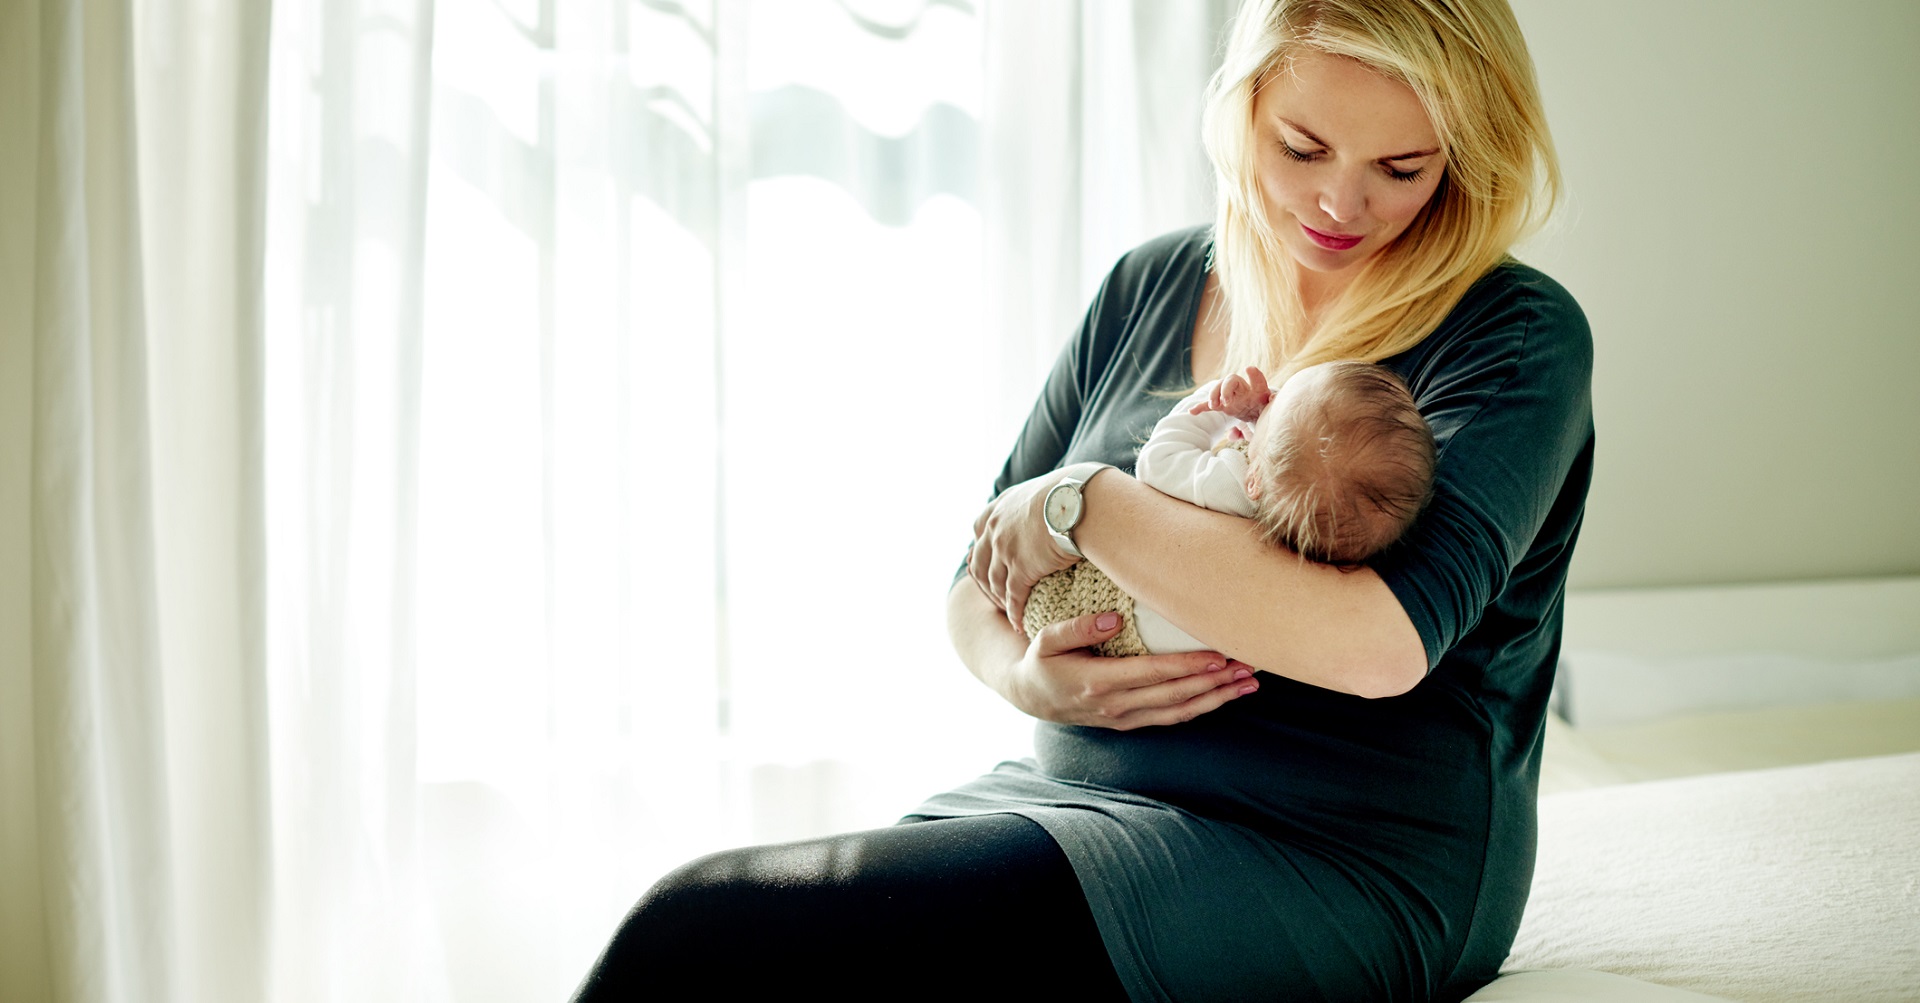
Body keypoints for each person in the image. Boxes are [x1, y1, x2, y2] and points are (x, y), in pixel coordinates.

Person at [569, 0, 1591, 999]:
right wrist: (1026, 680)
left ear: (1466, 154)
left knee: (693, 933)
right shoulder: (1150, 285)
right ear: (1241, 116)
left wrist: (1087, 502)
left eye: (1400, 168)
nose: (1339, 204)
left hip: (1333, 856)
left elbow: (1375, 645)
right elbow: (977, 576)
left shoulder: (1514, 334)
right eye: (1302, 148)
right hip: (1071, 798)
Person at [1023, 360, 1436, 657]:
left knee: (1052, 596)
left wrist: (1212, 404)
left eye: (1275, 404)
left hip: (1102, 604)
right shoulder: (1307, 538)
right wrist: (1266, 432)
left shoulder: (1230, 482)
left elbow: (1157, 461)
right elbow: (1291, 466)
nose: (1268, 397)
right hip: (1176, 643)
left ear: (1254, 479)